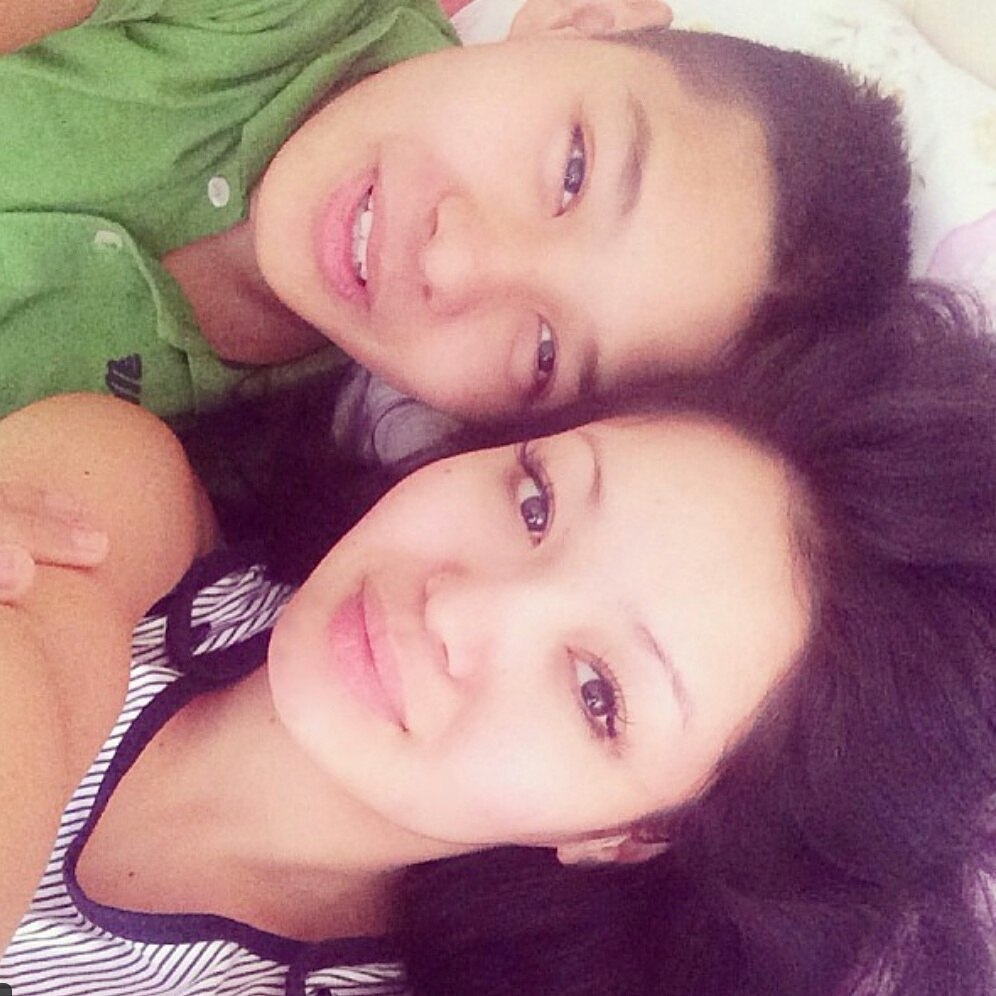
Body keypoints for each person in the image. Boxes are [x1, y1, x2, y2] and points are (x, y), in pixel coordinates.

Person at [2, 282, 996, 996]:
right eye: (535, 503)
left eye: (597, 693)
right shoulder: (117, 505)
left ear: (628, 835)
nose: (459, 609)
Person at [0, 0, 910, 426]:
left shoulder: (244, 461)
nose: (454, 263)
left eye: (545, 353)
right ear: (583, 20)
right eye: (573, 171)